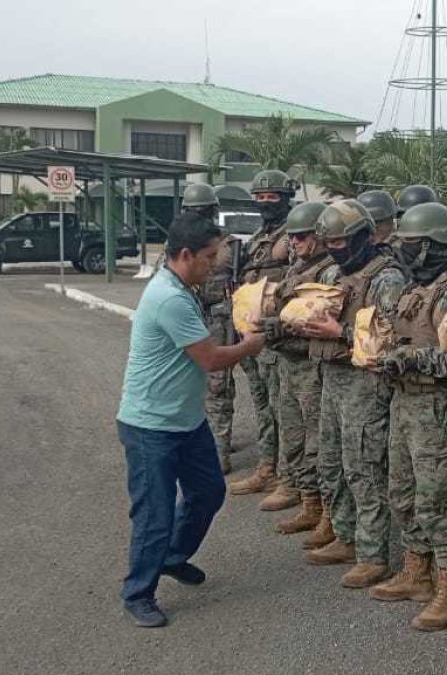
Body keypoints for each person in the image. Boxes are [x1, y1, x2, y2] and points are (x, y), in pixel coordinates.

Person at [116, 212, 265, 628]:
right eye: (209, 256)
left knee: (208, 492)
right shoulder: (170, 297)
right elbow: (212, 359)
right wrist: (251, 345)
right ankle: (138, 593)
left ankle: (172, 556)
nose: (215, 263)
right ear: (185, 254)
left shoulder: (183, 286)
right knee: (154, 513)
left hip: (183, 420)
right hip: (150, 426)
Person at [368, 201, 447, 632]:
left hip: (435, 406)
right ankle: (417, 572)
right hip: (403, 400)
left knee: (435, 502)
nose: (405, 251)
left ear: (433, 244)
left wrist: (411, 358)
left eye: (412, 244)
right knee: (401, 491)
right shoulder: (417, 286)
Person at [298, 199, 408, 588]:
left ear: (364, 236)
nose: (336, 250)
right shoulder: (331, 271)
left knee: (364, 468)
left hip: (365, 382)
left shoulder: (387, 278)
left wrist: (338, 334)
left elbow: (390, 340)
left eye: (343, 242)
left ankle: (373, 555)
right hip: (332, 377)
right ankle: (345, 535)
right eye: (330, 243)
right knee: (331, 462)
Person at [258, 201, 338, 529]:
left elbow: (318, 319)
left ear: (319, 236)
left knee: (317, 441)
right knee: (293, 433)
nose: (296, 243)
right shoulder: (298, 267)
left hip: (311, 365)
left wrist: (284, 325)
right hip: (289, 361)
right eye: (292, 237)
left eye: (302, 236)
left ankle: (329, 514)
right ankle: (309, 502)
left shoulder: (330, 272)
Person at [228, 169, 295, 497]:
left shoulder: (293, 234)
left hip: (277, 334)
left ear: (286, 199)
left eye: (272, 197)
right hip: (251, 332)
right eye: (260, 197)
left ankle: (287, 475)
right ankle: (267, 465)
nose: (265, 202)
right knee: (262, 402)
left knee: (284, 407)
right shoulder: (257, 238)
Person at [187, 183, 239, 475]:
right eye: (193, 212)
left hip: (219, 319)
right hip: (189, 318)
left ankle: (220, 449)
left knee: (218, 384)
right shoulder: (179, 244)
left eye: (203, 212)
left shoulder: (228, 246)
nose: (198, 217)